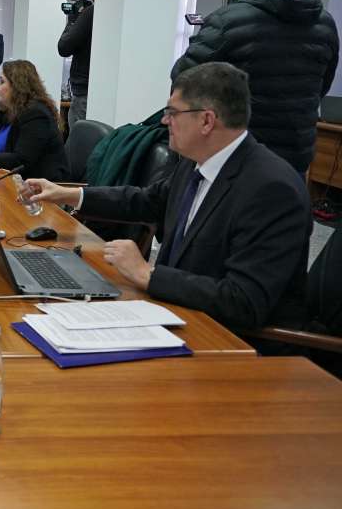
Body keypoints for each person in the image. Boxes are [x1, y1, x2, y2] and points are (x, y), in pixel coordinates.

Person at [24, 62, 310, 333]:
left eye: (172, 112)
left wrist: (147, 274)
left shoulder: (272, 189)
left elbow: (243, 301)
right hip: (173, 312)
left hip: (227, 340)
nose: (164, 121)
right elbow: (146, 200)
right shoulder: (195, 163)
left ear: (206, 120)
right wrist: (68, 194)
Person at [170, 0, 339, 175]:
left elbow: (183, 80)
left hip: (239, 156)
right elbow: (323, 85)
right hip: (296, 155)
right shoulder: (324, 22)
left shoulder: (227, 20)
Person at [58, 0, 95, 127]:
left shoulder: (90, 13)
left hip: (83, 93)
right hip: (95, 89)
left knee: (80, 138)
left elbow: (64, 47)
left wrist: (72, 21)